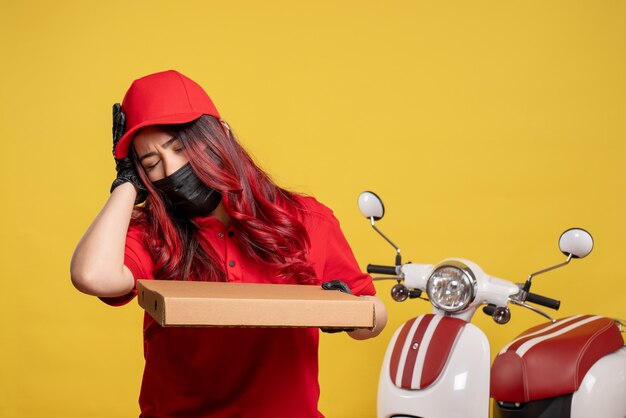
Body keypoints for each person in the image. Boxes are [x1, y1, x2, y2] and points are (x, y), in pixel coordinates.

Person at [70, 70, 387, 418]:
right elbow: (92, 275)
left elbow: (372, 317)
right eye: (151, 163)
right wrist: (126, 184)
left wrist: (346, 312)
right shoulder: (151, 232)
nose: (172, 168)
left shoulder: (306, 219)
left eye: (180, 148)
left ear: (222, 135)